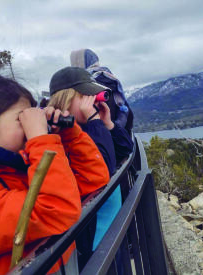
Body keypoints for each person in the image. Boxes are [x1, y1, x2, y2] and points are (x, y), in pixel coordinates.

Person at [0, 74, 109, 275]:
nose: (32, 124)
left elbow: (93, 181)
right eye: (22, 117)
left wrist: (68, 134)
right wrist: (41, 140)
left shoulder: (18, 167)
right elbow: (58, 210)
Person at [48, 66, 132, 270]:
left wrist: (108, 123)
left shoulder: (90, 129)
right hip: (94, 241)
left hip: (110, 229)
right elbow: (104, 167)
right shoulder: (64, 138)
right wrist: (95, 122)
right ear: (66, 99)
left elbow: (125, 149)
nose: (94, 101)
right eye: (86, 96)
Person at [70, 48, 134, 165]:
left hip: (111, 147)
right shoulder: (110, 79)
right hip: (115, 147)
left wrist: (105, 124)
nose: (97, 102)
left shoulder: (91, 81)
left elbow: (123, 150)